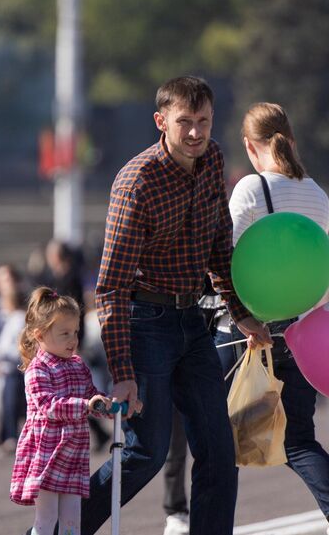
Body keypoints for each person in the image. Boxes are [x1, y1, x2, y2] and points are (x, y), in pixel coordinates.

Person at [82, 76, 271, 535]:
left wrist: (241, 311)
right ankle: (59, 529)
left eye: (203, 121)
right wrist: (122, 373)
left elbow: (219, 247)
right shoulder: (136, 182)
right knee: (147, 452)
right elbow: (110, 288)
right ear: (160, 121)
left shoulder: (213, 160)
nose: (195, 133)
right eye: (184, 122)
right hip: (146, 322)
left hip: (195, 320)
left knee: (219, 452)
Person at [214, 102, 329, 535]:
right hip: (298, 331)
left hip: (245, 329)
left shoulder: (249, 189)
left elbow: (228, 260)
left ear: (250, 146)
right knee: (300, 440)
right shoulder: (317, 194)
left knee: (217, 440)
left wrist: (242, 314)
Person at [10, 288, 110, 535]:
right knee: (47, 518)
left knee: (72, 519)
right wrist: (85, 406)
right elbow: (48, 405)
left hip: (74, 453)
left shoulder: (78, 365)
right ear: (40, 335)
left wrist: (107, 406)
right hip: (47, 452)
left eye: (75, 332)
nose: (72, 340)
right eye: (64, 333)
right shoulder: (37, 369)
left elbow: (90, 394)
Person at [0, 264, 29, 456]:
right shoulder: (2, 312)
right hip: (6, 367)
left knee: (14, 405)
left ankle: (12, 438)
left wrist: (0, 354)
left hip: (16, 367)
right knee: (8, 404)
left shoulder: (18, 316)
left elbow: (16, 344)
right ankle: (5, 437)